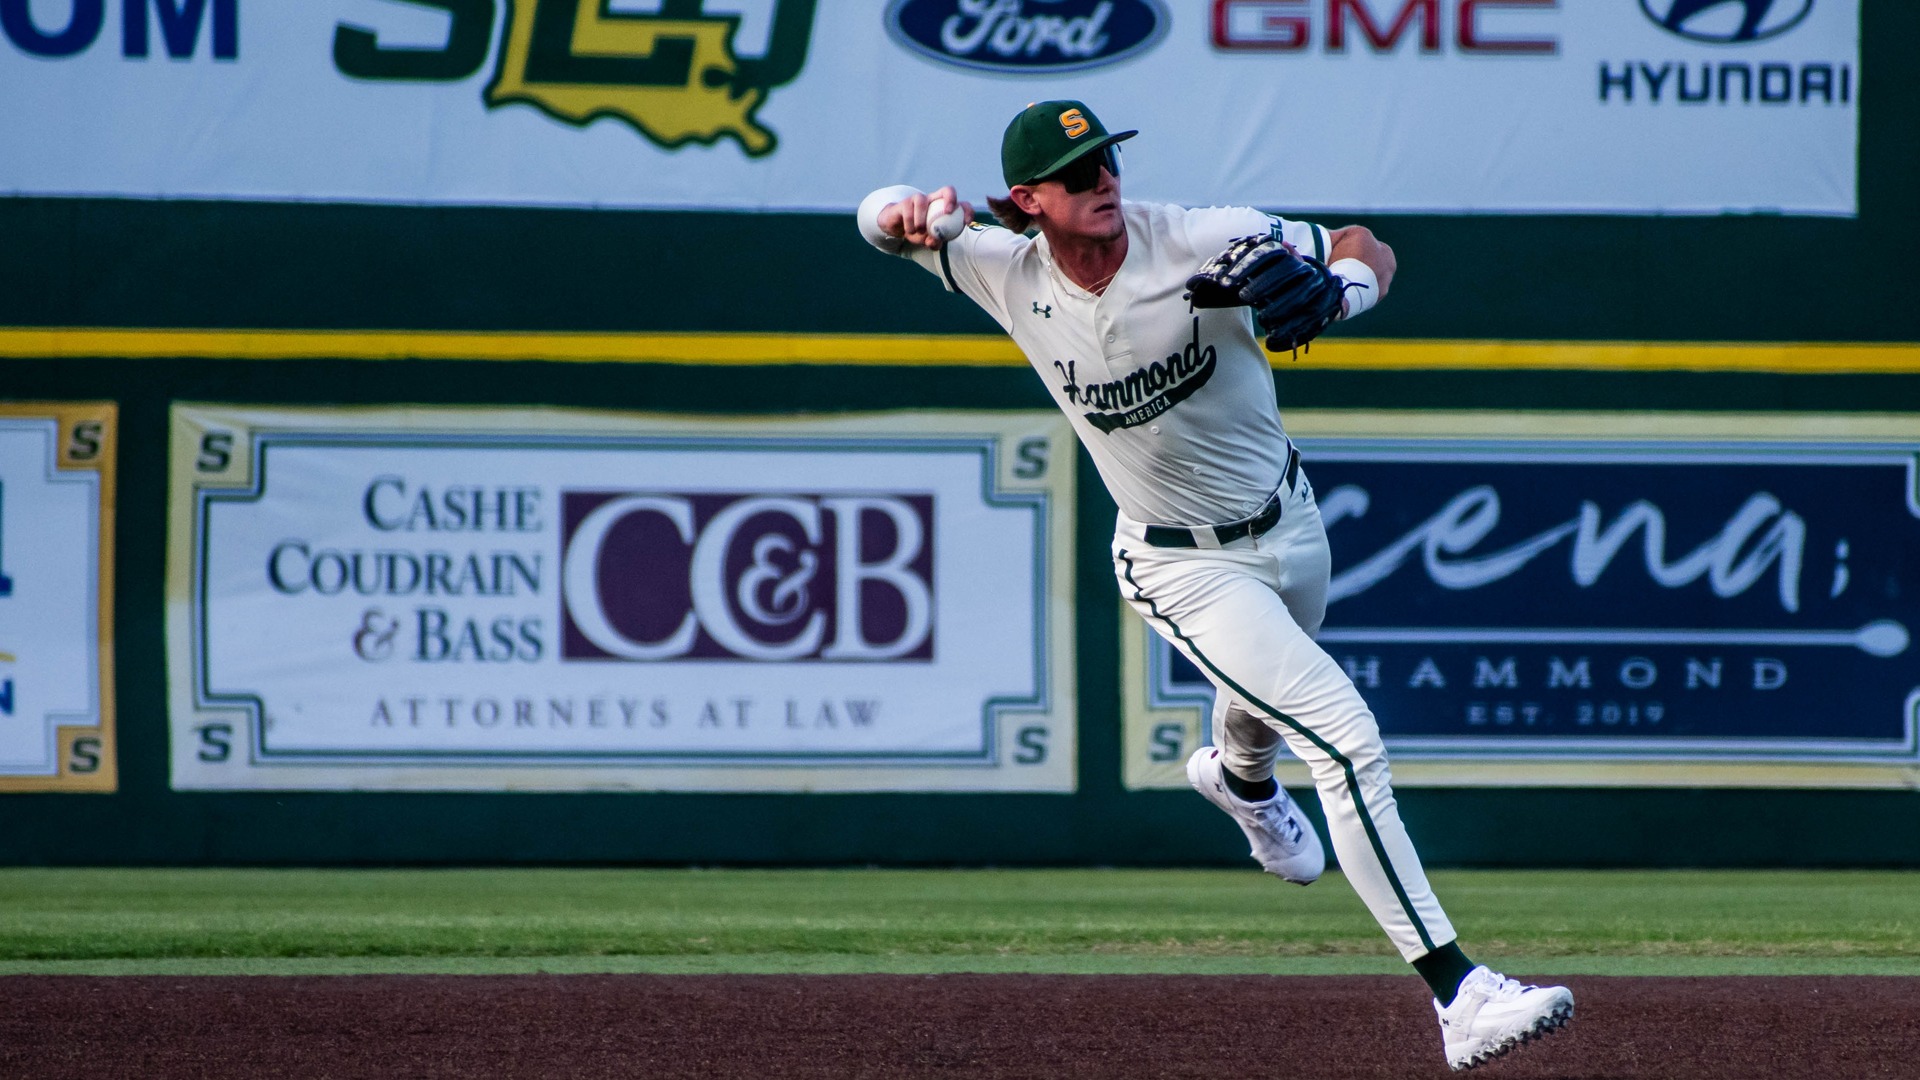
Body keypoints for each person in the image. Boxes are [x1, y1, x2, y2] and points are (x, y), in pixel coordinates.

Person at [856, 100, 1573, 1071]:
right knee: (1346, 739)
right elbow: (880, 218)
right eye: (1076, 173)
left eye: (1107, 160)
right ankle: (1461, 994)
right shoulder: (1001, 269)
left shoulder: (1202, 238)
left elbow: (1365, 243)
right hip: (1177, 562)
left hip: (1292, 524)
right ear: (1028, 200)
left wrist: (1343, 290)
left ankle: (1239, 783)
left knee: (1264, 706)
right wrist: (898, 211)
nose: (1102, 180)